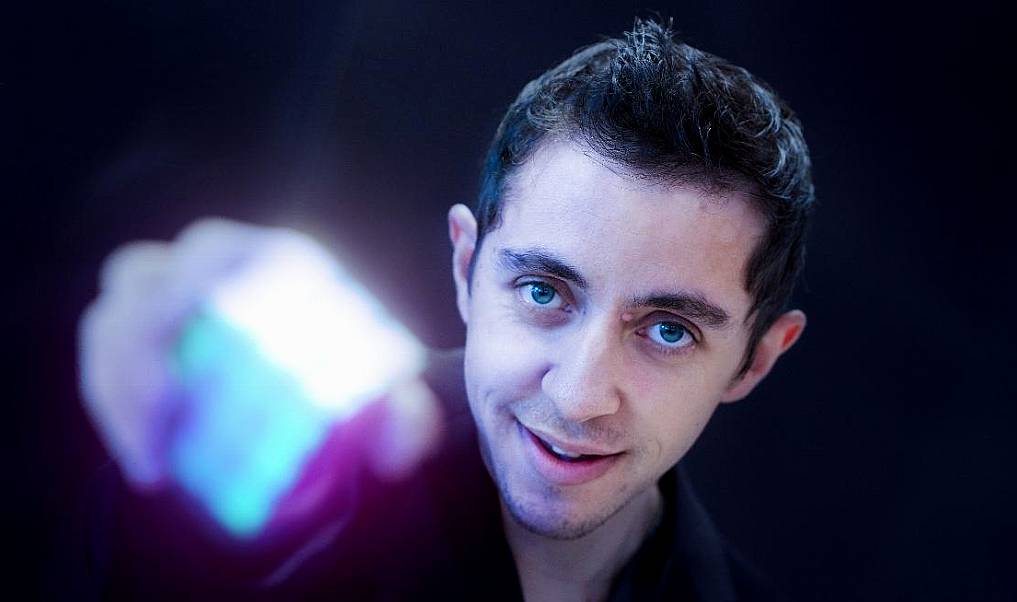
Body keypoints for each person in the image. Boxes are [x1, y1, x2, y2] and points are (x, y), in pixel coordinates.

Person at [77, 18, 814, 601]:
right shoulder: (287, 466)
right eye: (543, 292)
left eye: (667, 331)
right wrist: (176, 493)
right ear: (466, 265)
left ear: (755, 359)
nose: (579, 395)